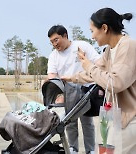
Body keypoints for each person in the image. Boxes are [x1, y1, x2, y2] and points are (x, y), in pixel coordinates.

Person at [61, 8, 136, 154]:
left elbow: (116, 83)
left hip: (129, 118)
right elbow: (95, 73)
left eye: (92, 31)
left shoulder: (128, 46)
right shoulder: (110, 50)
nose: (92, 36)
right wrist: (70, 78)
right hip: (112, 117)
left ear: (104, 28)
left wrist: (87, 65)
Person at [47, 25, 100, 154]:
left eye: (56, 40)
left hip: (86, 89)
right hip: (67, 91)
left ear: (65, 35)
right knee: (69, 122)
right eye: (52, 42)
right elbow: (52, 75)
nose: (54, 44)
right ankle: (73, 148)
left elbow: (98, 62)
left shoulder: (82, 46)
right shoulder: (53, 56)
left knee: (87, 121)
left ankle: (90, 149)